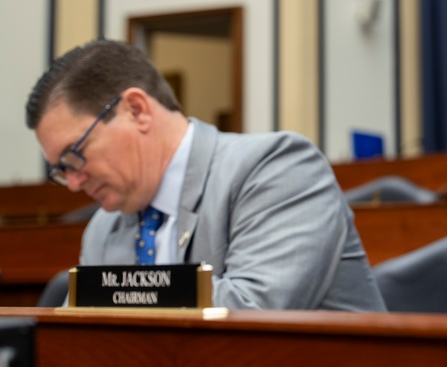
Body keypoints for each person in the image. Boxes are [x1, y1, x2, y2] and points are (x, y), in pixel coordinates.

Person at [25, 39, 386, 311]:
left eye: (74, 156)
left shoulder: (277, 167)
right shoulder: (103, 229)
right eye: (62, 171)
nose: (74, 183)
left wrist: (107, 295)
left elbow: (252, 314)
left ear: (136, 110)